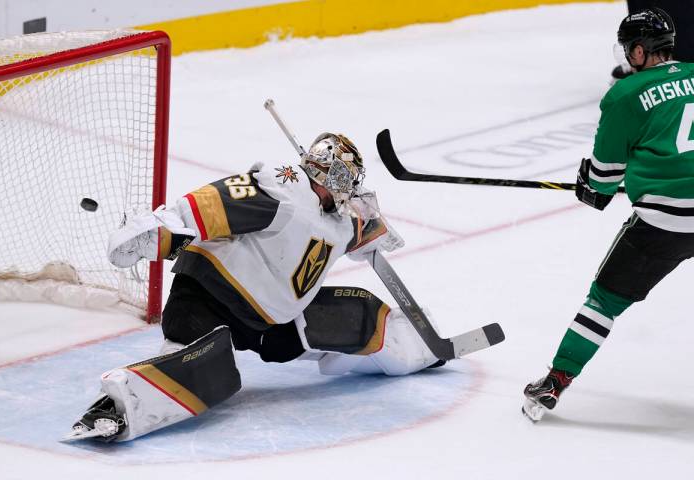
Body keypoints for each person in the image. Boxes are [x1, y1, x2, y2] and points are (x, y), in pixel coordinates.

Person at [66, 132, 444, 442]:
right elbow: (215, 204)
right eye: (349, 180)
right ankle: (117, 408)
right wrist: (157, 230)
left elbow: (359, 228)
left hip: (269, 323)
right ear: (336, 178)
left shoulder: (341, 220)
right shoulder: (284, 188)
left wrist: (374, 226)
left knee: (356, 312)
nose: (352, 191)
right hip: (206, 299)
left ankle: (415, 346)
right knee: (208, 369)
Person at [523, 7, 694, 422]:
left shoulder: (624, 95)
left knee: (603, 302)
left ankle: (555, 382)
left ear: (639, 50)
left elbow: (602, 183)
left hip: (663, 224)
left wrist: (590, 185)